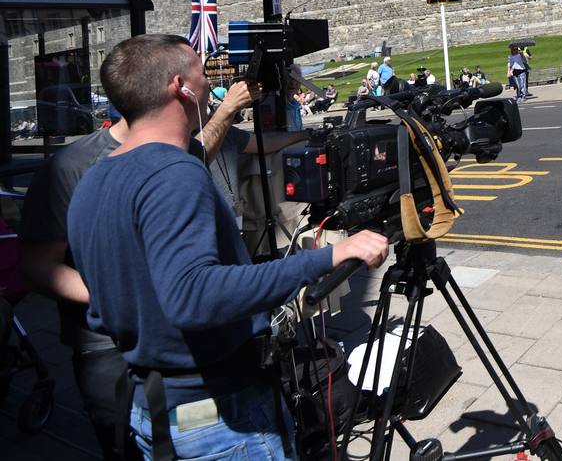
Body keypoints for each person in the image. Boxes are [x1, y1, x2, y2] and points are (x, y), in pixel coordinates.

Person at [65, 35, 389, 460]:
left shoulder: (94, 179)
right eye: (201, 72)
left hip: (155, 408)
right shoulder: (174, 174)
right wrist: (327, 257)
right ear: (180, 86)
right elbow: (194, 296)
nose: (210, 83)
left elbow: (103, 300)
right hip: (221, 415)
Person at [19, 76, 260, 459]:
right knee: (125, 446)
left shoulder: (178, 156)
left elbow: (201, 153)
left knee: (194, 435)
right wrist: (121, 297)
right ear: (176, 89)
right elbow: (36, 267)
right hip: (109, 351)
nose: (208, 93)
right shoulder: (72, 166)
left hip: (185, 351)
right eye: (201, 80)